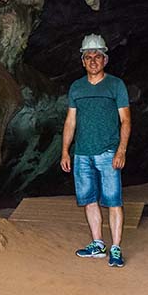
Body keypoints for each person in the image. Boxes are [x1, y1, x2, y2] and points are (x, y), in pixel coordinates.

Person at [60, 33, 131, 268]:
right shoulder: (76, 88)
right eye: (88, 57)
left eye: (97, 56)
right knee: (89, 200)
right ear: (82, 61)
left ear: (105, 60)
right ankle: (98, 244)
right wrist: (65, 151)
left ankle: (116, 248)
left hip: (108, 153)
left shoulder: (116, 85)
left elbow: (126, 121)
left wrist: (121, 150)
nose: (93, 61)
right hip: (82, 154)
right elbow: (70, 121)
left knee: (113, 201)